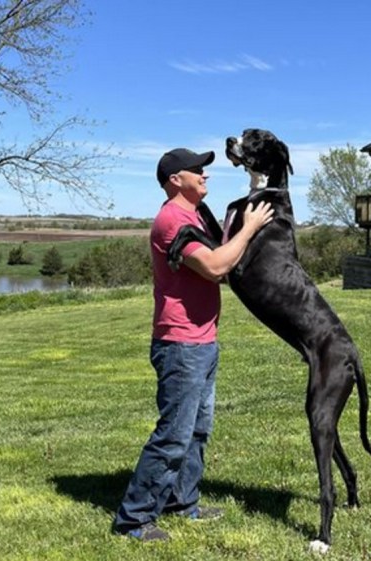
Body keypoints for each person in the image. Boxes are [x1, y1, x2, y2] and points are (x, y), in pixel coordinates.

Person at [112, 148, 273, 542]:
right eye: (197, 170)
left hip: (203, 340)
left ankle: (183, 502)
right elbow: (217, 266)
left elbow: (223, 254)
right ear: (174, 180)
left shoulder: (197, 215)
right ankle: (133, 519)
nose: (205, 175)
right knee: (173, 434)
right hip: (180, 344)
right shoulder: (171, 221)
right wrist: (250, 227)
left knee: (197, 430)